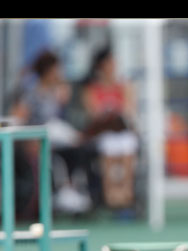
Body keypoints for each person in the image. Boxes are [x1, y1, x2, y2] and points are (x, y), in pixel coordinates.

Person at [11, 49, 94, 215]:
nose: (58, 73)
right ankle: (61, 193)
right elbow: (17, 117)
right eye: (56, 69)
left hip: (55, 139)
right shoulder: (31, 92)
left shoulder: (56, 92)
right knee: (58, 132)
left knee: (78, 148)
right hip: (37, 136)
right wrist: (29, 139)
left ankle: (70, 191)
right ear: (47, 70)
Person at [81, 46, 139, 209]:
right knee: (108, 145)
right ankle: (110, 194)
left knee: (127, 144)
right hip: (103, 132)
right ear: (102, 65)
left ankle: (126, 192)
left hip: (121, 131)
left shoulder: (123, 85)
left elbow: (129, 110)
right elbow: (94, 113)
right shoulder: (92, 88)